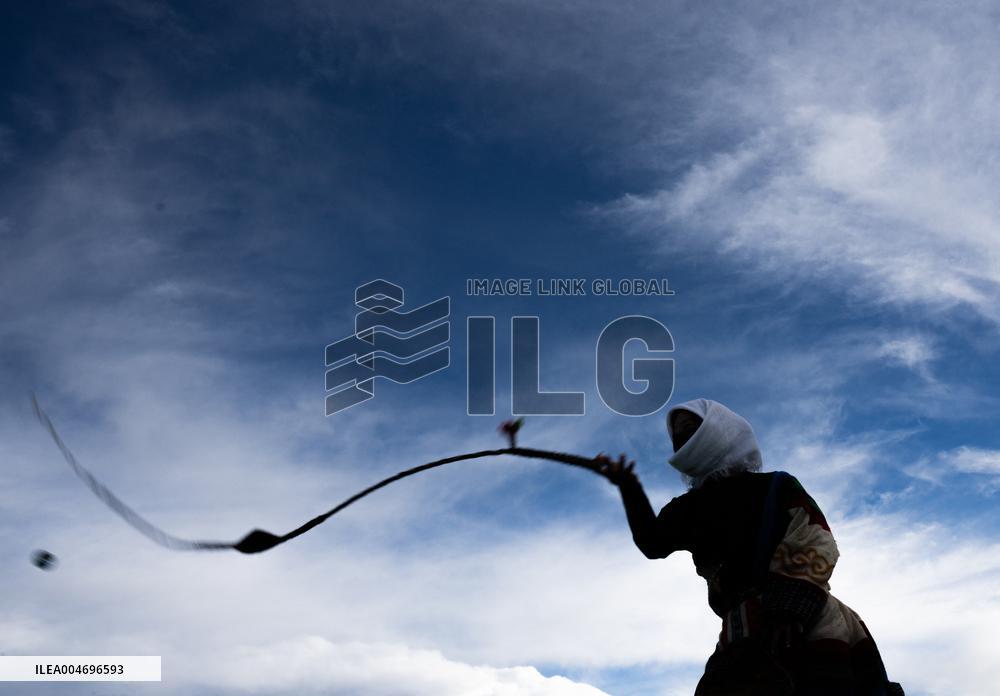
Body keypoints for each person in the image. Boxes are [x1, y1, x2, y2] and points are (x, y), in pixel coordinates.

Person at [596, 398, 903, 696]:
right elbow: (652, 543)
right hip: (741, 627)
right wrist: (629, 488)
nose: (682, 440)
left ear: (718, 430)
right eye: (677, 436)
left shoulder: (776, 486)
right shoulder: (687, 509)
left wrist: (789, 608)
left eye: (690, 428)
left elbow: (813, 537)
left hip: (808, 622)